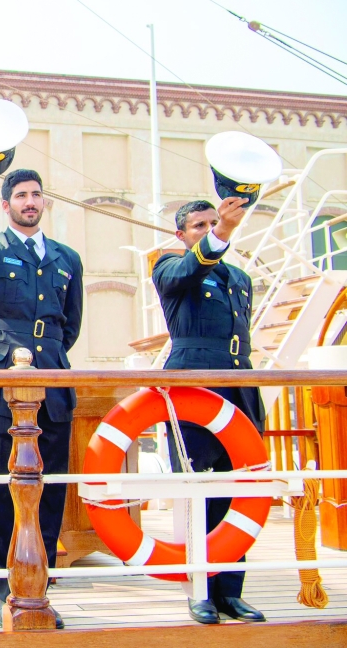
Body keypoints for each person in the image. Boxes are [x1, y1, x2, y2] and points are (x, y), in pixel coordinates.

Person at [0, 167, 83, 629]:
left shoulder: (67, 258)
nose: (30, 201)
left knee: (49, 488)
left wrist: (48, 351)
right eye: (21, 195)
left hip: (51, 376)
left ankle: (40, 588)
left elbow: (70, 324)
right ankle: (6, 590)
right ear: (5, 205)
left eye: (36, 194)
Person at [153, 197, 266, 625]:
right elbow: (188, 271)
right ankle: (198, 590)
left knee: (240, 492)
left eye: (212, 223)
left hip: (239, 387)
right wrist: (218, 237)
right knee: (197, 493)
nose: (207, 229)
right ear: (181, 236)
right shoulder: (170, 268)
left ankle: (230, 593)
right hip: (194, 390)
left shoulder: (239, 278)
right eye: (198, 225)